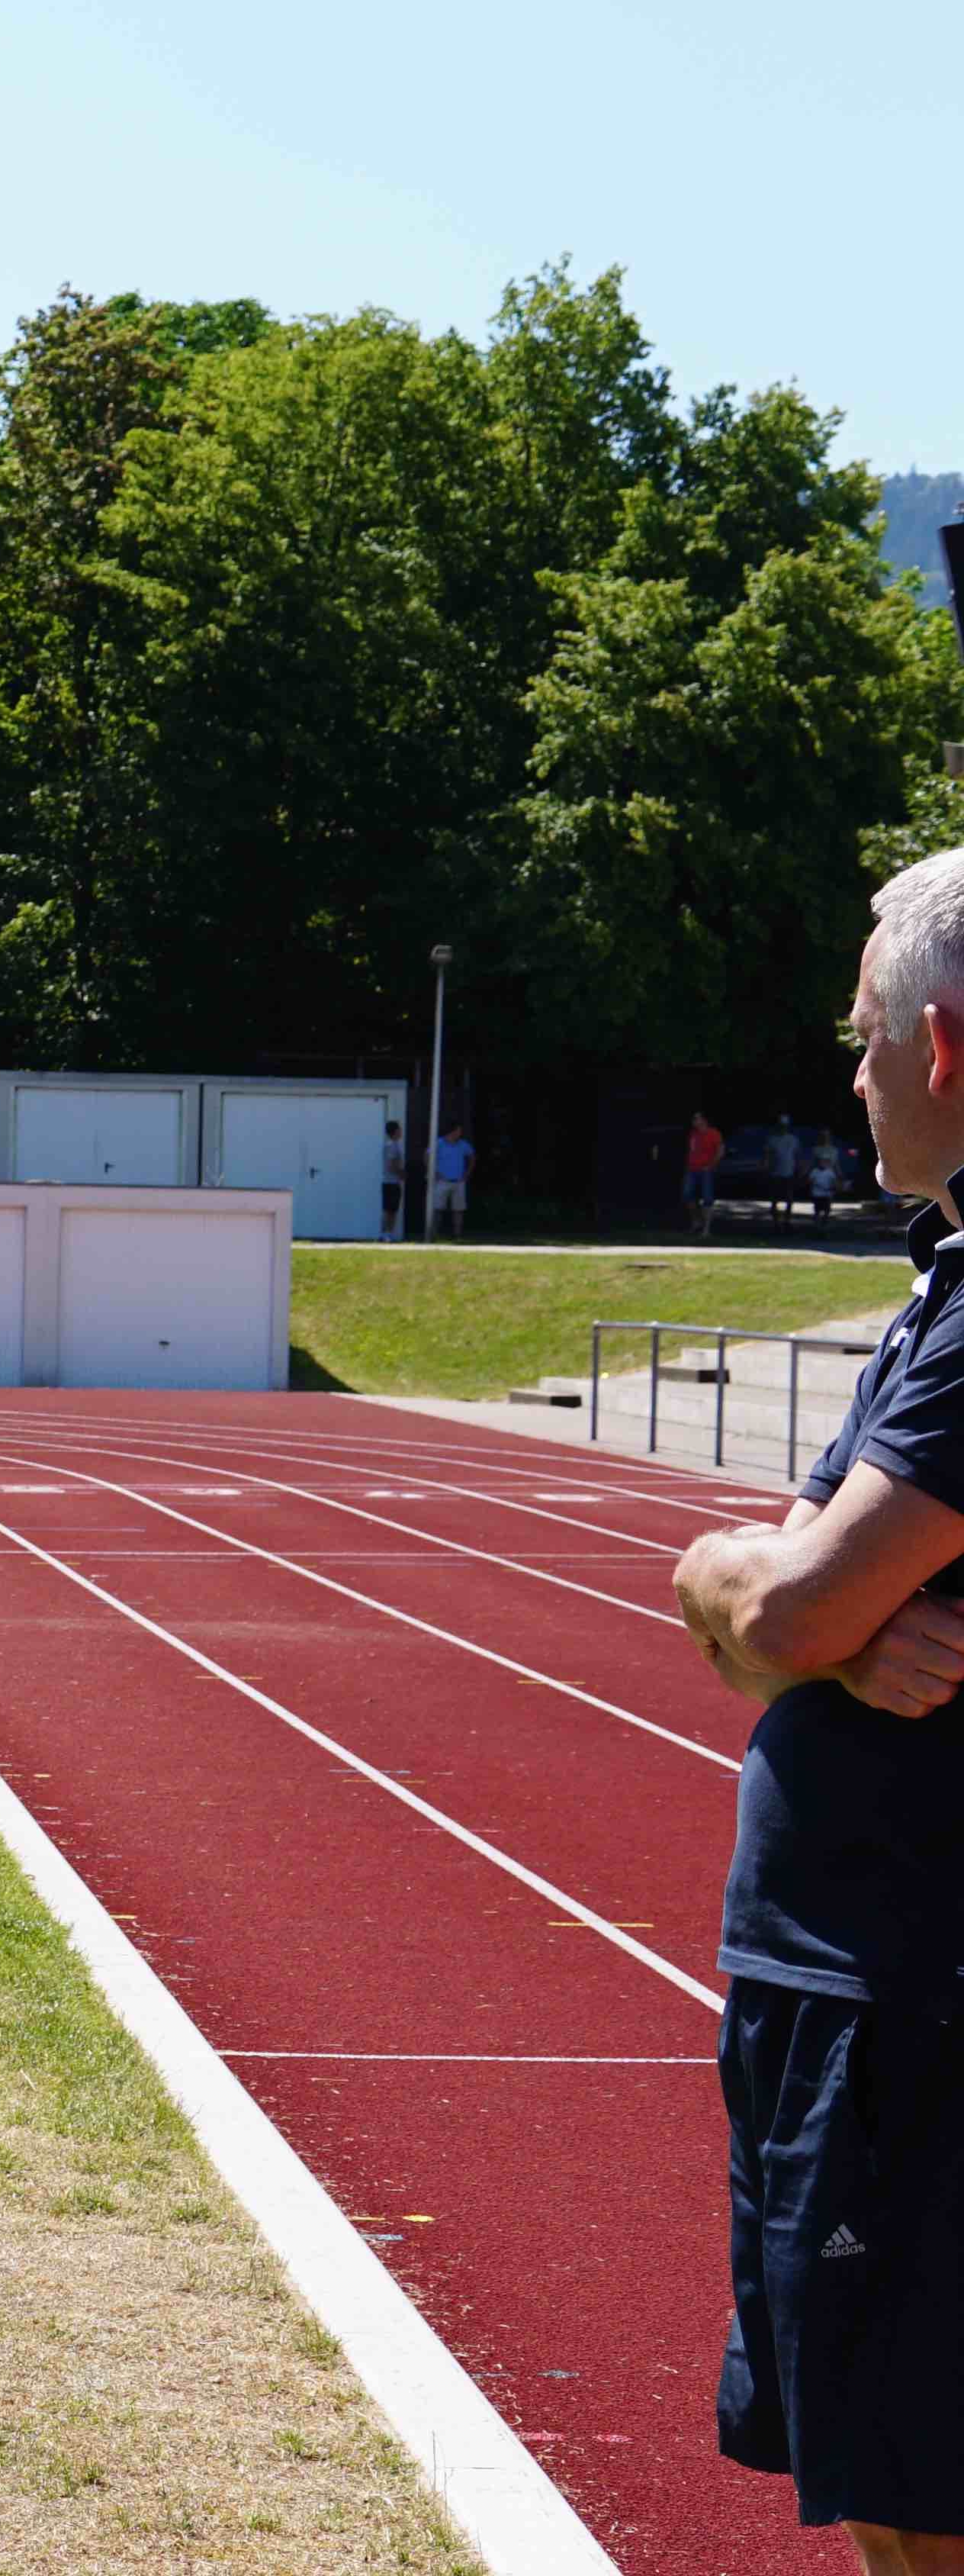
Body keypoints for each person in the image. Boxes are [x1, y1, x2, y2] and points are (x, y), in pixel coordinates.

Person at [672, 845, 964, 2566]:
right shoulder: (945, 1285)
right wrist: (779, 1608)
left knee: (921, 2500)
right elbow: (771, 1599)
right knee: (887, 2483)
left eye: (862, 1037)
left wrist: (782, 1611)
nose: (849, 1074)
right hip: (870, 1986)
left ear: (942, 1045)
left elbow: (779, 1604)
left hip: (908, 1998)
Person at [431, 1124, 474, 1239]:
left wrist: (467, 1174)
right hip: (442, 1181)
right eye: (458, 1131)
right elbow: (427, 1156)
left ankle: (457, 1235)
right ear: (452, 1131)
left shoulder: (463, 1144)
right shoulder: (438, 1143)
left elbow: (472, 1157)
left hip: (459, 1182)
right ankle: (433, 1234)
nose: (460, 1133)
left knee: (458, 1210)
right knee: (437, 1209)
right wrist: (435, 1173)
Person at [692, 1109, 729, 1238]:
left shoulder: (714, 1134)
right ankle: (697, 1221)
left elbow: (721, 1151)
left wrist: (711, 1165)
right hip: (692, 1169)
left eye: (696, 1118)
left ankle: (706, 1229)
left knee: (707, 1199)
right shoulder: (694, 1134)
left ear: (704, 1120)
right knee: (688, 1195)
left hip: (706, 1171)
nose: (694, 1121)